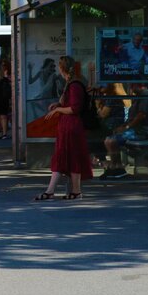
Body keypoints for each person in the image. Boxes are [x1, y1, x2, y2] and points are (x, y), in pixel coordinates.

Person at [34, 56, 93, 201]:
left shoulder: (74, 85)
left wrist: (57, 110)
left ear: (62, 69)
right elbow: (69, 104)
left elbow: (74, 108)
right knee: (69, 157)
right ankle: (71, 191)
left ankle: (56, 191)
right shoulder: (71, 84)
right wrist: (57, 105)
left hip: (72, 127)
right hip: (67, 127)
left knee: (68, 157)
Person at [102, 81, 148, 180]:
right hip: (133, 129)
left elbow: (141, 115)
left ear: (138, 84)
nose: (130, 88)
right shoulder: (137, 96)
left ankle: (118, 168)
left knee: (112, 141)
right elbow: (131, 117)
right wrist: (123, 126)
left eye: (132, 85)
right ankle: (116, 167)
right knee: (108, 140)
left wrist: (127, 127)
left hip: (142, 131)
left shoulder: (146, 95)